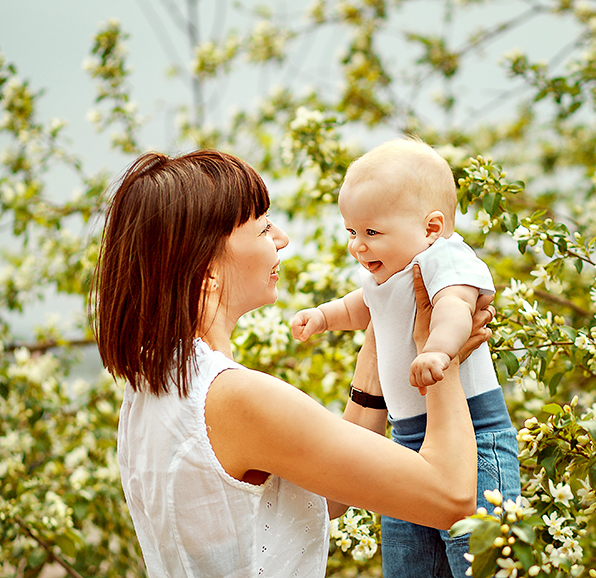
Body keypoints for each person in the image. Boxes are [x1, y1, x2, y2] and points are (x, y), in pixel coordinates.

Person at [91, 149, 495, 578]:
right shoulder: (236, 398)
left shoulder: (150, 389)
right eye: (263, 227)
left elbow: (331, 495)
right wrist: (442, 356)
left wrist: (384, 331)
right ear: (207, 271)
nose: (281, 238)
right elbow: (452, 498)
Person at [290, 138, 521, 578]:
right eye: (351, 232)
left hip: (474, 434)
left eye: (371, 232)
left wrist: (438, 349)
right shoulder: (387, 275)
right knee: (407, 560)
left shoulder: (444, 259)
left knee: (476, 558)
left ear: (431, 228)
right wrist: (322, 317)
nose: (358, 246)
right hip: (407, 439)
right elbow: (360, 306)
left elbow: (456, 307)